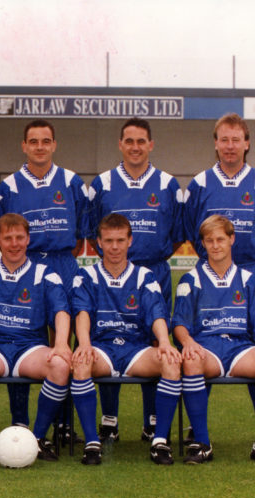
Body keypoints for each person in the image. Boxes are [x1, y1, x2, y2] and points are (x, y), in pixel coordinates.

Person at [89, 117, 185, 444]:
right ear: (120, 144)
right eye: (129, 141)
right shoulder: (102, 184)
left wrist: (147, 258)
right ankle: (109, 420)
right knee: (108, 336)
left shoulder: (168, 185)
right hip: (112, 273)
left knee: (156, 344)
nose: (135, 147)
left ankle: (152, 421)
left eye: (141, 141)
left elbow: (175, 236)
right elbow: (92, 232)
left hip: (154, 272)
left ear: (151, 145)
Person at [183, 112, 255, 432]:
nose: (229, 146)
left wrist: (242, 265)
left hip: (249, 270)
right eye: (224, 139)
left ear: (247, 143)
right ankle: (198, 428)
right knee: (201, 339)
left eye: (236, 140)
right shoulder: (199, 184)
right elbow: (190, 229)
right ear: (215, 143)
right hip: (207, 272)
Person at [0, 119, 90, 430]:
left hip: (63, 263)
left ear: (54, 145)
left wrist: (58, 260)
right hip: (26, 266)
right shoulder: (8, 186)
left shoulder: (72, 182)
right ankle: (20, 419)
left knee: (66, 341)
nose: (39, 147)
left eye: (45, 141)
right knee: (23, 338)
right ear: (24, 146)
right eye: (33, 141)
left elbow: (81, 236)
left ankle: (62, 420)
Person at [70, 213, 181, 465]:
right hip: (102, 348)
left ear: (130, 241)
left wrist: (164, 342)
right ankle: (91, 443)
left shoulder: (145, 276)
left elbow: (156, 313)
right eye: (109, 241)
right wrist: (85, 344)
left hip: (135, 350)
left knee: (171, 362)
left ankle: (160, 441)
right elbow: (82, 313)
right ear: (98, 242)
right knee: (81, 362)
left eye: (120, 240)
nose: (115, 247)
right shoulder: (86, 276)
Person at [172, 215, 255, 464]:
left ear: (232, 239)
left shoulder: (249, 280)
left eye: (221, 239)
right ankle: (201, 443)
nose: (216, 245)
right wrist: (188, 343)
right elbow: (180, 324)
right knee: (191, 362)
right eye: (209, 240)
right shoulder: (191, 280)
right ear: (203, 244)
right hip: (206, 348)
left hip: (240, 349)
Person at [0, 213, 71, 463]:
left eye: (19, 237)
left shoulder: (45, 273)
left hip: (30, 348)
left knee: (60, 364)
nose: (14, 243)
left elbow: (61, 312)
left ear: (28, 239)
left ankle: (39, 439)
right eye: (8, 238)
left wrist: (62, 344)